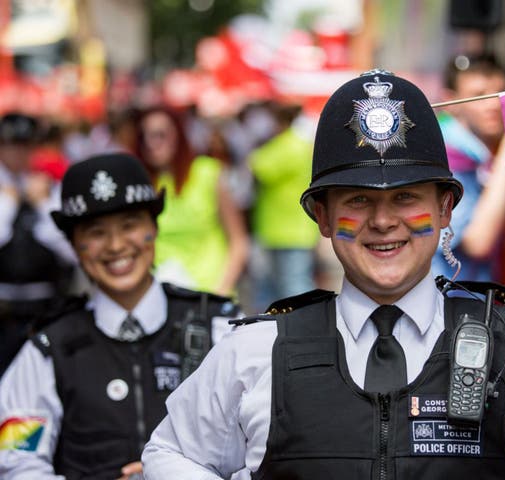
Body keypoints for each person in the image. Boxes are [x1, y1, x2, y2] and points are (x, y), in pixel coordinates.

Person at [141, 70, 505, 479]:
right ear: (322, 215)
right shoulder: (253, 354)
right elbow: (170, 454)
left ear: (446, 208)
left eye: (406, 197)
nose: (383, 221)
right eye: (358, 199)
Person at [0, 153, 240, 479]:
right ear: (74, 246)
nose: (115, 245)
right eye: (96, 232)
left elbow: (261, 447)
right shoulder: (46, 349)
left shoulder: (220, 329)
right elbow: (17, 463)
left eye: (129, 225)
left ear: (154, 229)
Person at [135, 106, 249, 297]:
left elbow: (238, 241)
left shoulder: (208, 173)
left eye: (160, 135)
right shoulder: (141, 185)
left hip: (210, 293)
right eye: (144, 136)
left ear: (178, 136)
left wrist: (221, 290)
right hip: (163, 296)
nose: (151, 143)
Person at [0, 113, 77, 376]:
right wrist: (7, 205)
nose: (17, 154)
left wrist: (44, 205)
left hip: (44, 310)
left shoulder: (49, 189)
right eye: (10, 145)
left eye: (24, 145)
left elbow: (72, 251)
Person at [432, 54, 505, 282]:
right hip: (453, 302)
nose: (494, 104)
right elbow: (478, 242)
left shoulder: (475, 151)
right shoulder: (447, 155)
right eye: (479, 96)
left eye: (500, 93)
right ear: (450, 103)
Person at [248, 101, 319, 312]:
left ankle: (307, 332)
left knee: (293, 288)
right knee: (283, 288)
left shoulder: (288, 145)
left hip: (287, 231)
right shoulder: (296, 143)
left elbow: (257, 167)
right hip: (288, 229)